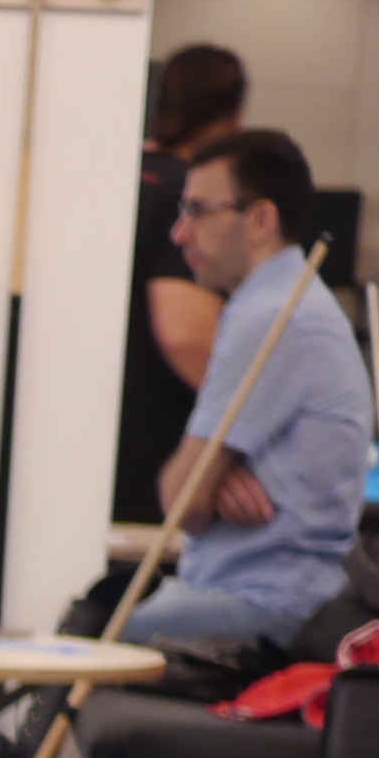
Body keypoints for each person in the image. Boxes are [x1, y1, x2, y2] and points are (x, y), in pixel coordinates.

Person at [126, 126, 370, 657]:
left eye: (197, 211)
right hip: (262, 592)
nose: (179, 234)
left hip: (268, 606)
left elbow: (181, 502)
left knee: (90, 637)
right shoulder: (281, 300)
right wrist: (217, 474)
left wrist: (205, 480)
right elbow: (195, 491)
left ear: (260, 219)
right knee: (99, 613)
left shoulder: (271, 316)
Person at [116, 44, 246, 522]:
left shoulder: (119, 175)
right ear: (234, 118)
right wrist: (247, 436)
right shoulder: (189, 195)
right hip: (153, 453)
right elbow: (185, 335)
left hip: (99, 439)